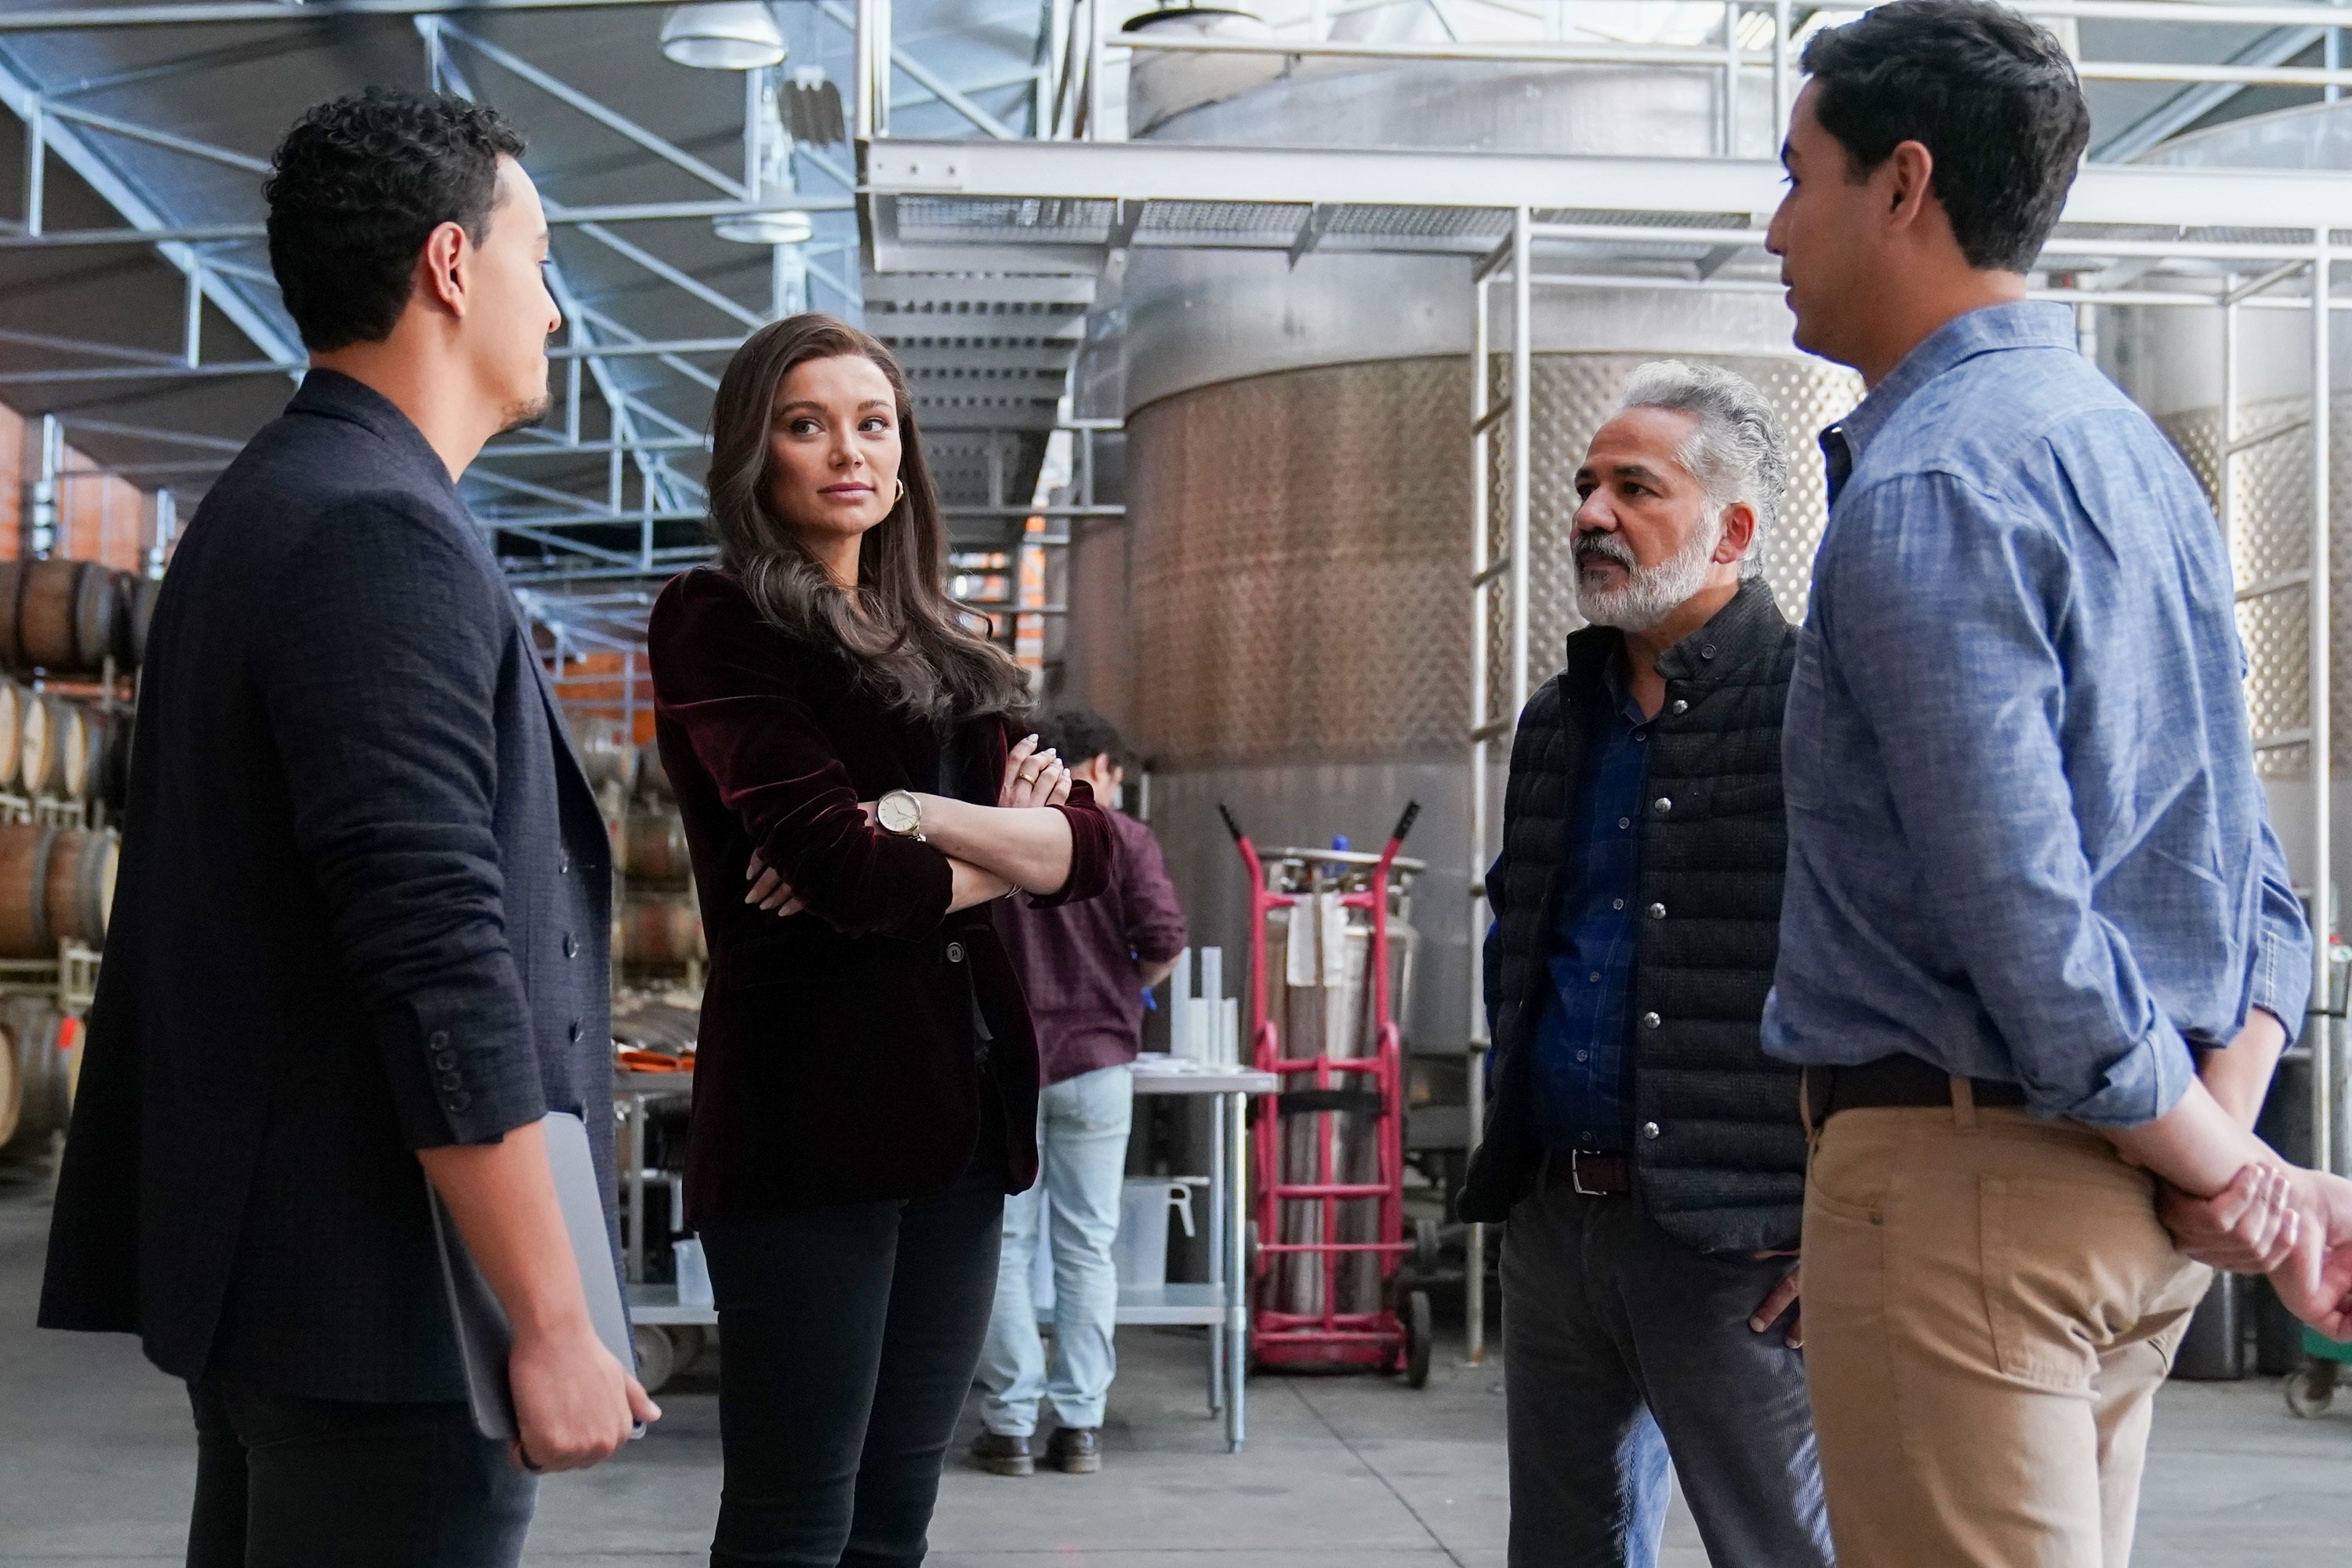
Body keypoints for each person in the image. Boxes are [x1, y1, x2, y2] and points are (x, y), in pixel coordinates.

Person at [1761, 5, 2352, 1563]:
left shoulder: (1933, 484)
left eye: (1795, 174)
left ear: (1903, 183)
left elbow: (2024, 917)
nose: (1773, 225)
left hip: (1974, 1191)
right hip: (2123, 1205)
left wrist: (2246, 1179)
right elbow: (2254, 874)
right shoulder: (2136, 458)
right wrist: (2234, 1145)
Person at [36, 89, 654, 1568]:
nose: (556, 313)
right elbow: (433, 948)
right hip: (385, 1299)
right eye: (540, 261)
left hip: (290, 1284)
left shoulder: (270, 503)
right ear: (452, 265)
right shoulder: (374, 531)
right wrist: (551, 1316)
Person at [646, 312, 1112, 1567]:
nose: (846, 451)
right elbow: (842, 874)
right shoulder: (717, 618)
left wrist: (911, 820)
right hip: (810, 1124)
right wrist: (988, 855)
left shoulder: (953, 647)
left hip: (961, 1124)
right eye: (807, 426)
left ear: (903, 453)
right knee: (797, 1522)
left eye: (872, 423)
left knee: (895, 1519)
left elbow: (1095, 856)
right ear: (759, 455)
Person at [1458, 364, 1832, 1568]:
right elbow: (1521, 938)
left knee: (1780, 1549)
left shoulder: (1811, 702)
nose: (1589, 515)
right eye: (1583, 488)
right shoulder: (1558, 721)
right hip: (1557, 1221)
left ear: (1732, 529)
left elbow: (1877, 972)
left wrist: (1841, 1218)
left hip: (1740, 1245)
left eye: (1634, 488)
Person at [971, 709, 1188, 1478]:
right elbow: (1164, 939)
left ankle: (1007, 1425)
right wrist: (1127, 987)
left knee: (1005, 1247)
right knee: (1087, 1245)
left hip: (1007, 1066)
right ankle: (1080, 1425)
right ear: (1099, 765)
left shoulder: (994, 828)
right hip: (1097, 1062)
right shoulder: (1126, 840)